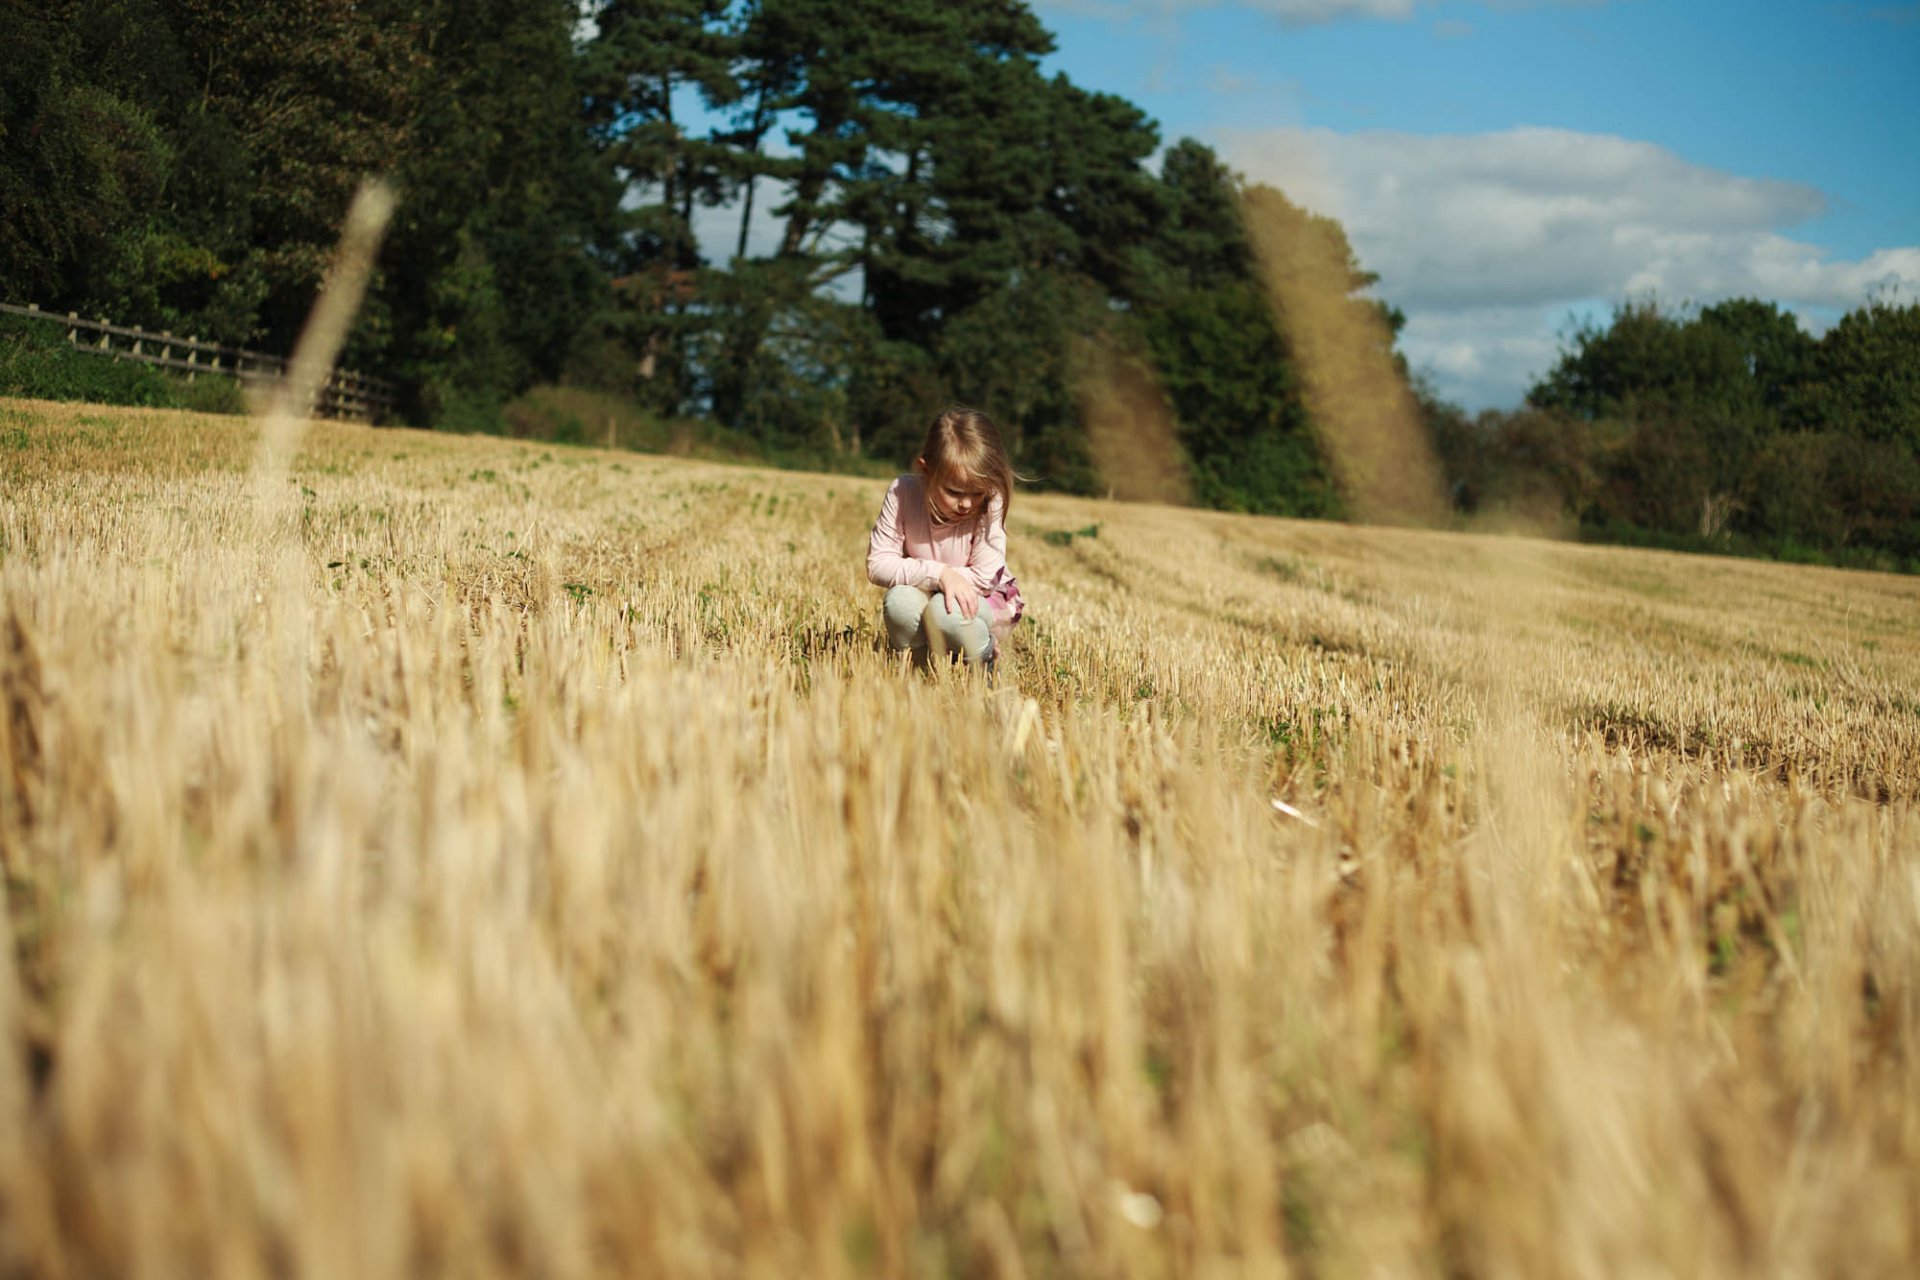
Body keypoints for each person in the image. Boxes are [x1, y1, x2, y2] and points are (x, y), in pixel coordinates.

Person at [866, 406, 1025, 672]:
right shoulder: (902, 492)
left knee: (945, 612)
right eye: (954, 492)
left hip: (983, 599)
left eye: (977, 493)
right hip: (927, 588)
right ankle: (916, 672)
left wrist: (941, 579)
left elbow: (985, 577)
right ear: (925, 470)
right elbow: (877, 564)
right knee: (900, 602)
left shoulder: (992, 501)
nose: (966, 504)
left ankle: (982, 662)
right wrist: (940, 575)